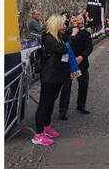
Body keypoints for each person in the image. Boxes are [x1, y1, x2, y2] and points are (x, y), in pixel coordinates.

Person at [31, 15, 71, 146]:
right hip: (49, 75)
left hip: (57, 74)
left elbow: (66, 45)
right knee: (44, 103)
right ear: (56, 25)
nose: (65, 26)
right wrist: (72, 37)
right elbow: (63, 49)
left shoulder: (58, 37)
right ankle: (38, 134)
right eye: (62, 24)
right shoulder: (48, 38)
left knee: (51, 102)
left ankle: (46, 126)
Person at [59, 15, 93, 116]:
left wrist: (82, 56)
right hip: (70, 65)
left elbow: (89, 47)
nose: (77, 21)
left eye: (80, 20)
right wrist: (72, 28)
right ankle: (63, 110)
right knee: (67, 87)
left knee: (83, 85)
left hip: (81, 65)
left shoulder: (86, 33)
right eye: (76, 20)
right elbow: (66, 43)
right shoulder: (68, 32)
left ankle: (81, 105)